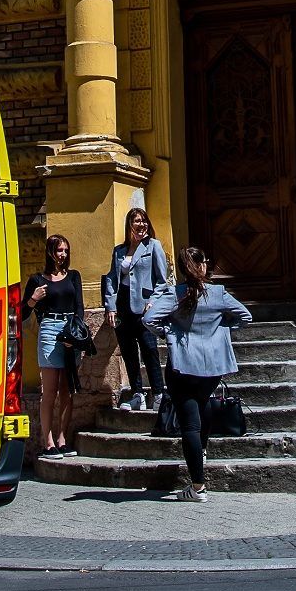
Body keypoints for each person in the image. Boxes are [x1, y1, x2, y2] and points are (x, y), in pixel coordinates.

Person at [143, 246, 251, 502]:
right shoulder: (218, 294)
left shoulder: (175, 294)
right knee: (204, 406)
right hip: (211, 367)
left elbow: (148, 320)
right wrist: (222, 330)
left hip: (182, 364)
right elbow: (245, 316)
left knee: (190, 423)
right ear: (201, 266)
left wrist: (169, 333)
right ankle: (201, 454)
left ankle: (198, 486)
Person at [20, 234, 82, 459]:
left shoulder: (74, 277)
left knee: (68, 390)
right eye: (59, 251)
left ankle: (62, 439)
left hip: (70, 330)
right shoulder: (37, 280)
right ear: (50, 252)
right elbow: (24, 312)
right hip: (48, 329)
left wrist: (73, 335)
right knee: (50, 390)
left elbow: (80, 308)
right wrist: (33, 299)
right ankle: (47, 443)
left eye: (65, 250)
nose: (63, 255)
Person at [101, 207, 169, 410]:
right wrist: (110, 307)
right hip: (122, 308)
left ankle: (158, 393)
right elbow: (112, 279)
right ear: (129, 226)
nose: (142, 225)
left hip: (144, 308)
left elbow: (162, 281)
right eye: (137, 221)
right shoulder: (119, 251)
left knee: (149, 350)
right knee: (129, 352)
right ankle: (137, 394)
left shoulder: (153, 246)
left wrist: (154, 301)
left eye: (144, 221)